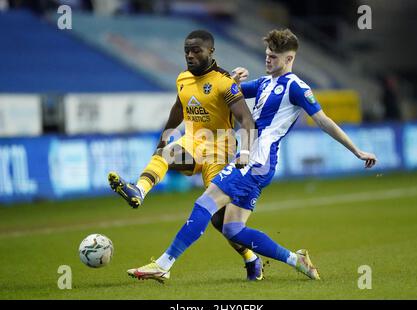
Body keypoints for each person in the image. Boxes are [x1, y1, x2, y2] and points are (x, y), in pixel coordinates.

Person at [127, 28, 378, 282]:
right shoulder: (263, 83)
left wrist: (356, 150)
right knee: (232, 228)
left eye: (274, 57)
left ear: (289, 59)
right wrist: (234, 78)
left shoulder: (297, 87)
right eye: (267, 55)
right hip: (255, 163)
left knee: (205, 204)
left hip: (256, 159)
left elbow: (323, 121)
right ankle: (296, 259)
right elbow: (222, 92)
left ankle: (163, 264)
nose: (267, 60)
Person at [108, 30, 264, 281]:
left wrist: (245, 150)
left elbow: (246, 118)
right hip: (192, 143)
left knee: (221, 222)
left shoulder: (224, 81)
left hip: (220, 150)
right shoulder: (182, 79)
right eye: (186, 51)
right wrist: (164, 135)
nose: (190, 55)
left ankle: (251, 258)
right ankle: (139, 190)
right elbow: (178, 108)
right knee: (165, 153)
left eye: (196, 51)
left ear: (210, 51)